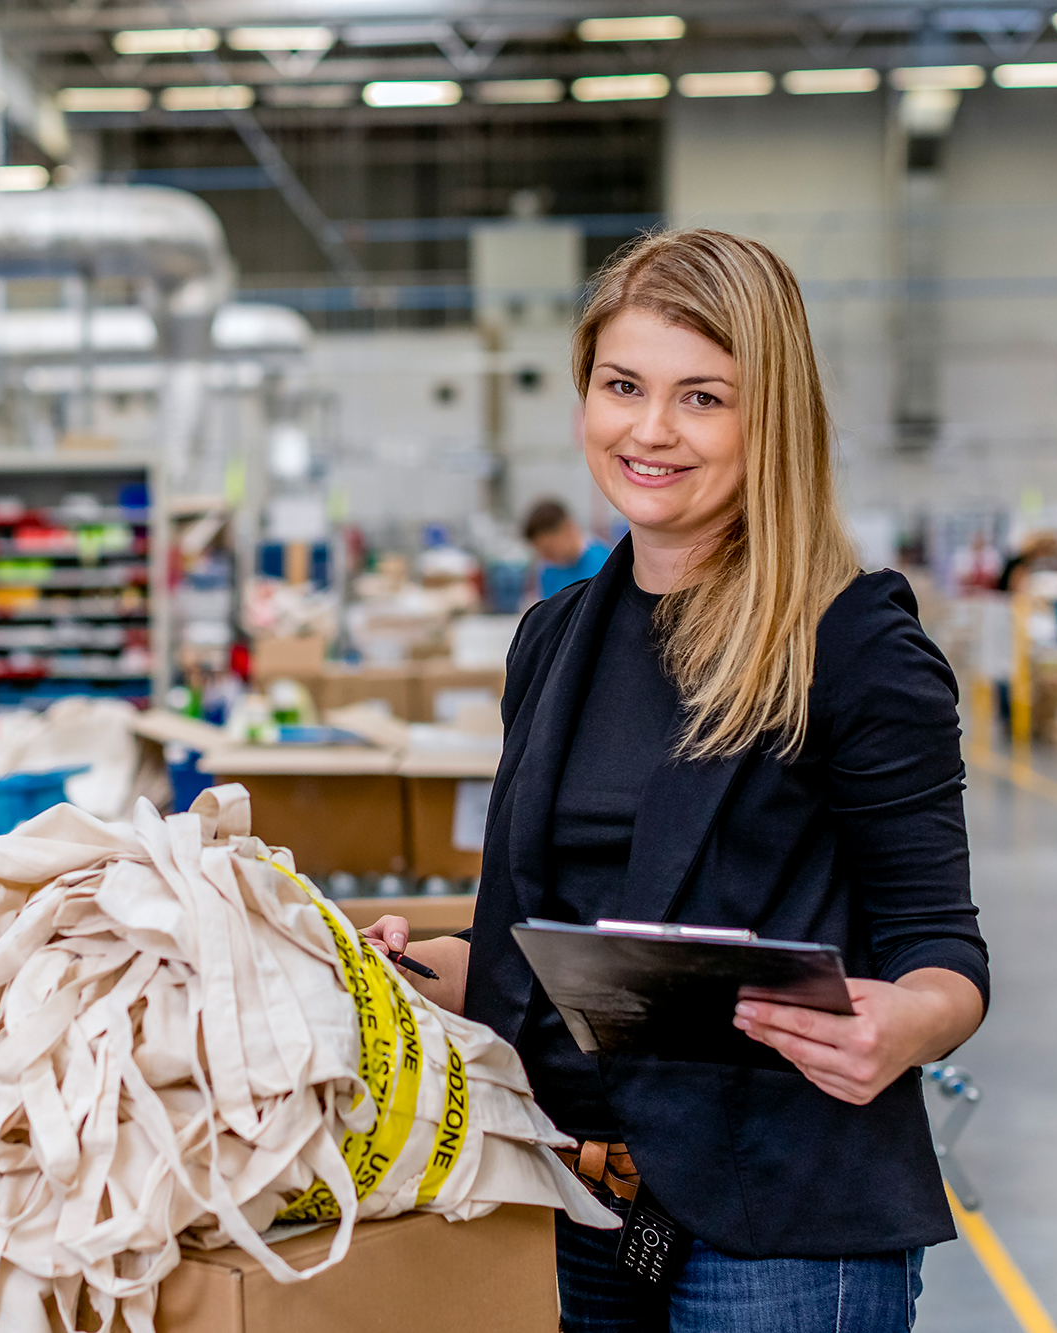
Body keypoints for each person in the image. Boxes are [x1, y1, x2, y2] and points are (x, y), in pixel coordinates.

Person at [362, 229, 987, 1331]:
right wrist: (401, 972)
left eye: (702, 397)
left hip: (780, 1220)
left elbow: (940, 947)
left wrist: (909, 1023)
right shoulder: (555, 639)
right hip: (578, 1203)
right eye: (621, 386)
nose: (648, 430)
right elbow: (532, 954)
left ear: (770, 419)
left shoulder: (847, 644)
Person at [525, 497, 610, 599]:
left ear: (568, 528)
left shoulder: (606, 564)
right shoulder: (548, 572)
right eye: (540, 552)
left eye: (549, 549)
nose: (546, 557)